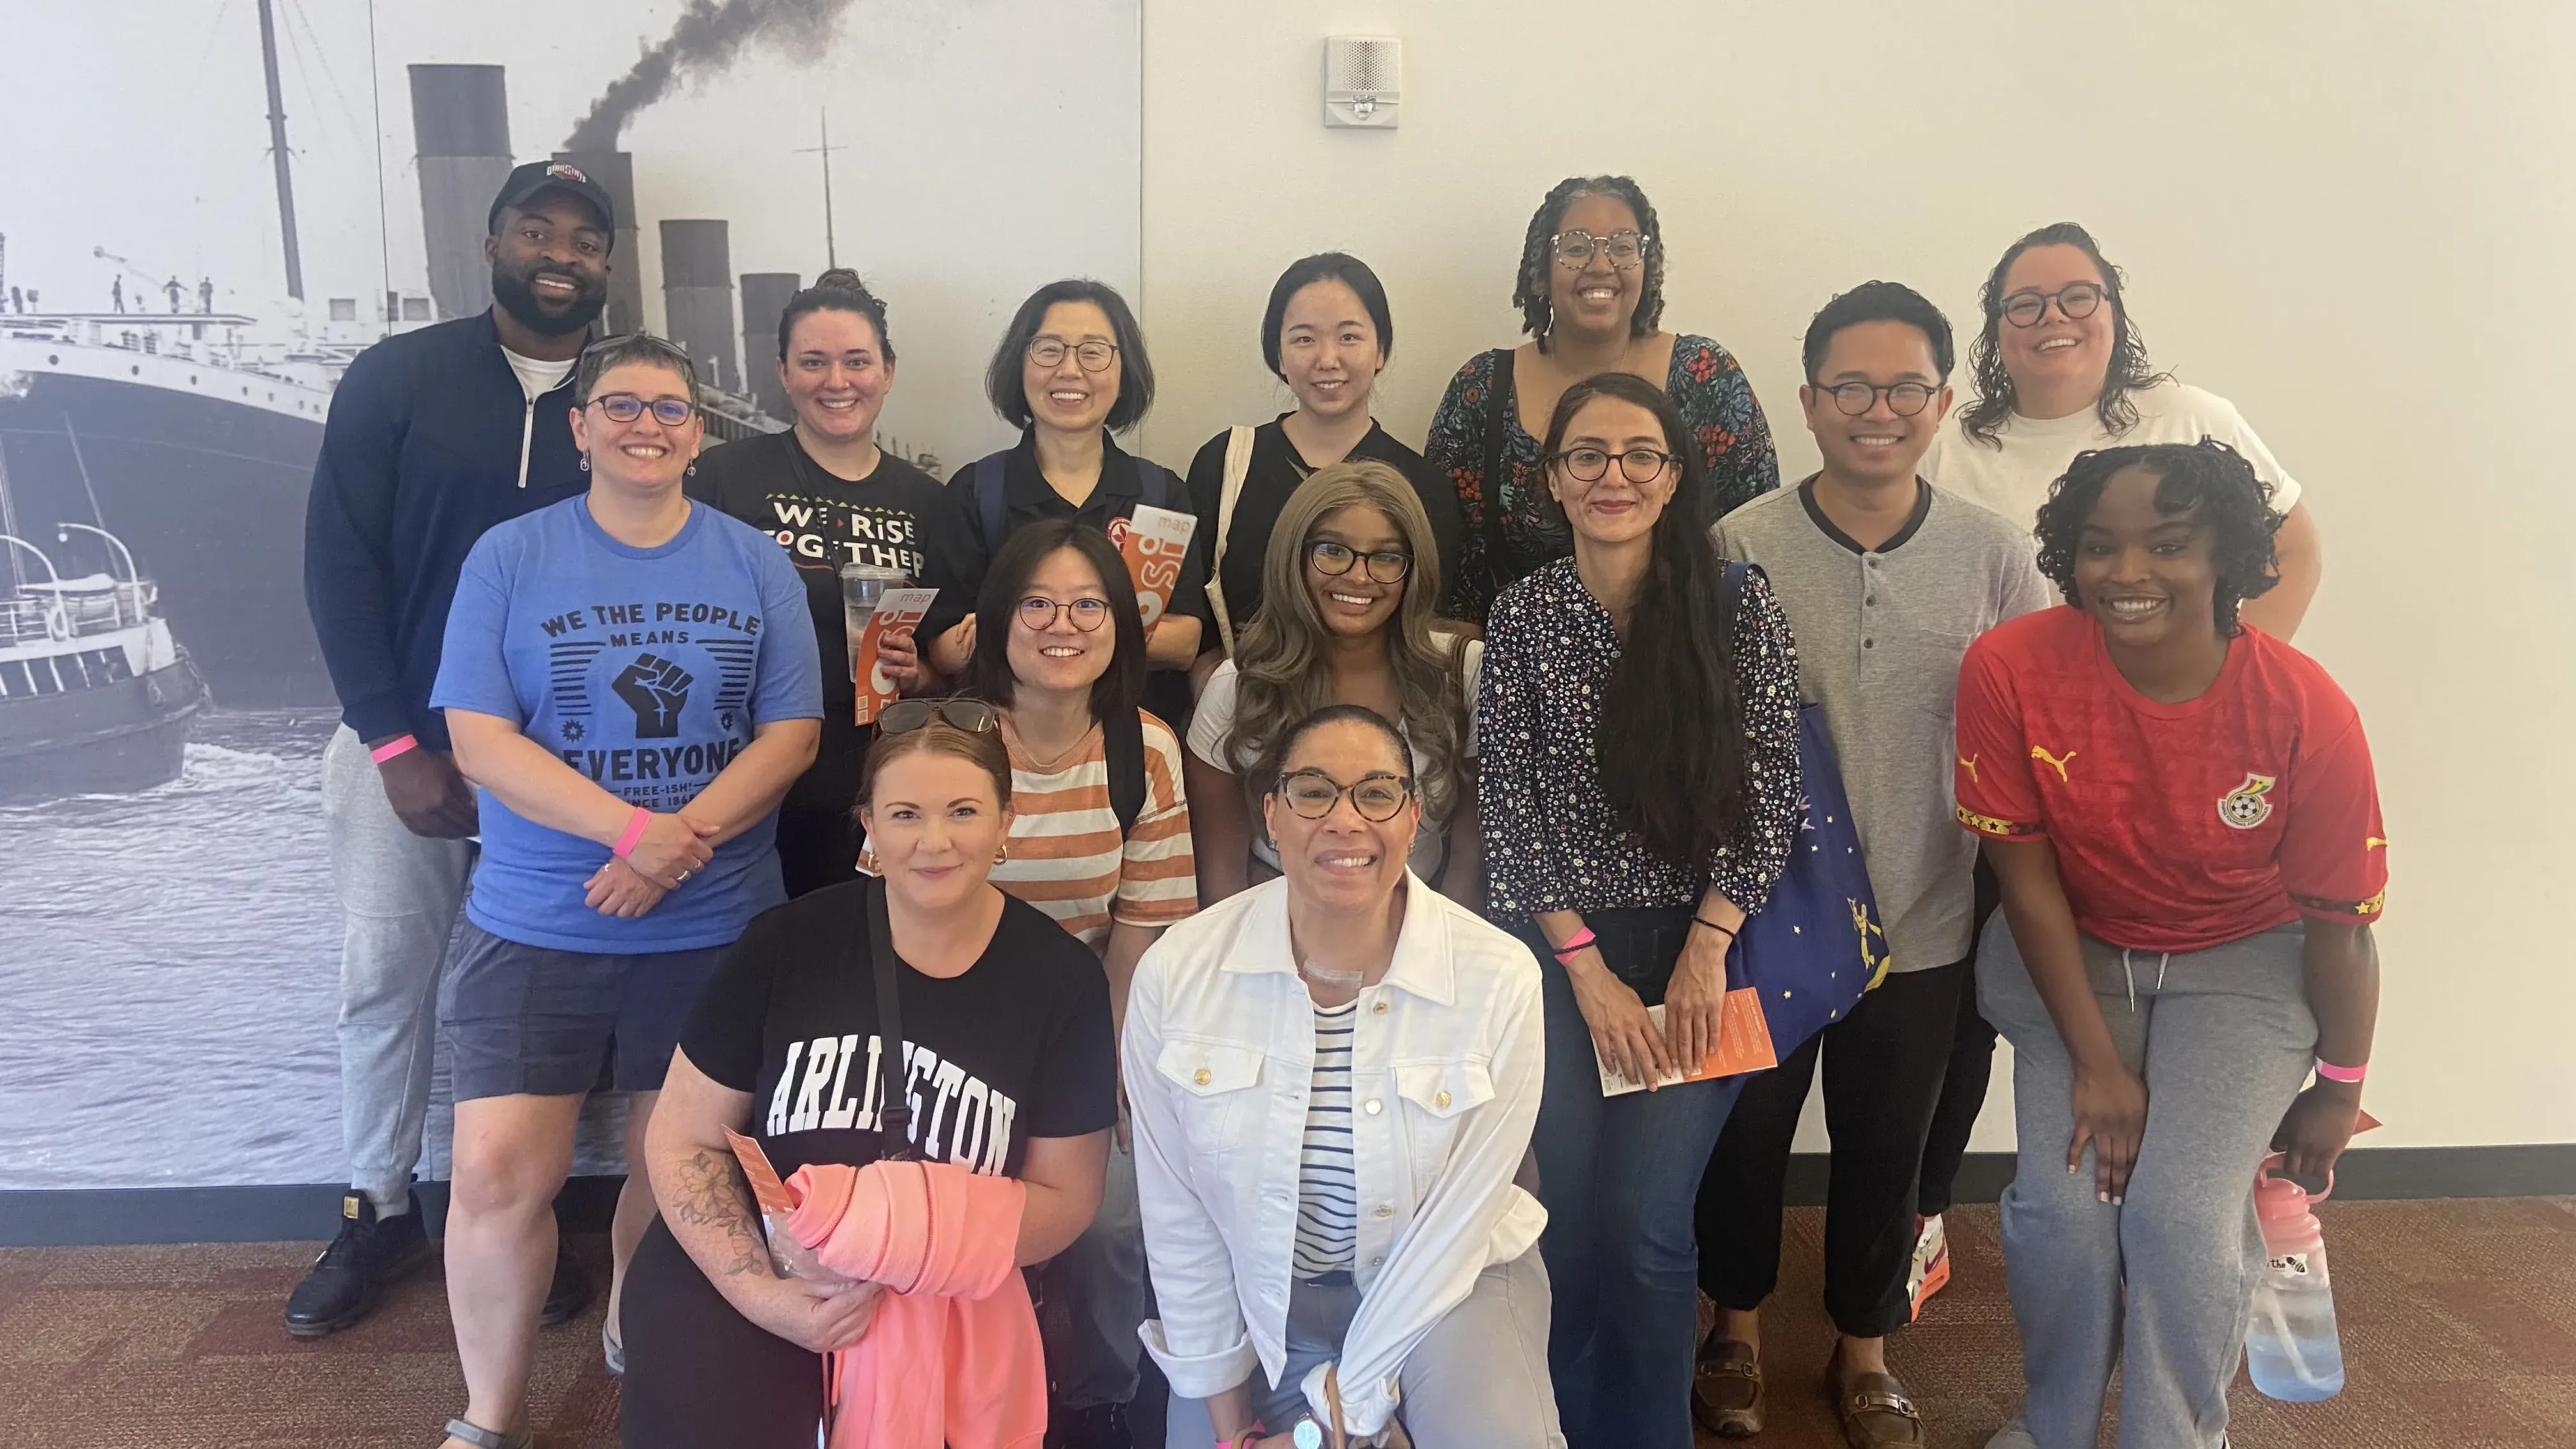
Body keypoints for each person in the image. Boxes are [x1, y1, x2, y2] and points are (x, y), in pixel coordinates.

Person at [1910, 222, 2332, 1302]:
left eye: (2075, 296)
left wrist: (2214, 689)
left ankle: (2215, 1193)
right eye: (2024, 303)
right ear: (1993, 326)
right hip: (2003, 766)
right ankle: (1922, 1213)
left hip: (2164, 784)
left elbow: (2295, 545)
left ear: (2112, 306)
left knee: (2186, 981)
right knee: (1972, 999)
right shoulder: (1958, 444)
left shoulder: (2185, 418)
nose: (2052, 319)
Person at [424, 332, 822, 1449]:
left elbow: (791, 734)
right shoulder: (509, 556)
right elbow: (479, 739)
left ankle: (628, 1327)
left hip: (711, 920)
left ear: (701, 431)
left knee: (675, 1160)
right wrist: (638, 835)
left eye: (672, 407)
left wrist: (674, 845)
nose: (648, 424)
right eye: (622, 404)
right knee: (498, 1172)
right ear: (580, 426)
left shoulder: (754, 561)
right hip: (537, 915)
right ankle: (487, 1413)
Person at [1954, 440, 2382, 1449]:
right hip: (2075, 959)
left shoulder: (2306, 709)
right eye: (2100, 546)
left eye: (2169, 545)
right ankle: (2053, 1425)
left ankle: (2176, 1436)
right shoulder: (2010, 668)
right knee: (2062, 1221)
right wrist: (2098, 1069)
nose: (2129, 572)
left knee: (2179, 1222)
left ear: (2227, 556)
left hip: (2243, 969)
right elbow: (2025, 880)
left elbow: (2342, 931)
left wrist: (2341, 1084)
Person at [1690, 283, 2051, 1446]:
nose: (1876, 408)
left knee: (1886, 1145)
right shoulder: (1739, 541)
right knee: (1743, 1136)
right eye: (1850, 385)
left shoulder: (1996, 557)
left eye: (1903, 386)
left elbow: (2034, 731)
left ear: (1942, 400)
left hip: (1927, 915)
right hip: (1766, 920)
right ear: (1808, 401)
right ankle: (1733, 1328)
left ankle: (1864, 1346)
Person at [292, 158, 620, 1337]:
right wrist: (393, 739)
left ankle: (511, 1211)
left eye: (584, 239)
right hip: (407, 754)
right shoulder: (399, 378)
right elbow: (340, 562)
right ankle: (377, 1207)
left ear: (606, 265)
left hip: (562, 771)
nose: (560, 252)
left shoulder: (632, 398)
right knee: (386, 980)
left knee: (532, 997)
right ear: (491, 244)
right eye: (537, 228)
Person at [620, 706, 1117, 1449]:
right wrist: (765, 1293)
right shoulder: (784, 945)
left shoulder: (1063, 981)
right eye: (905, 814)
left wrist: (902, 1238)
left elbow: (1069, 1199)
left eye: (964, 811)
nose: (935, 841)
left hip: (944, 1294)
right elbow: (684, 1140)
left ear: (1006, 821)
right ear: (869, 830)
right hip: (751, 1270)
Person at [1478, 371, 1802, 1449]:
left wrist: (1704, 949)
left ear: (1672, 478)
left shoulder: (1736, 603)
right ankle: (1557, 1426)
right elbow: (1508, 811)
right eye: (1587, 455)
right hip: (1561, 959)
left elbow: (1770, 798)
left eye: (1639, 455)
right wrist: (1584, 967)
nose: (1612, 474)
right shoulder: (1521, 614)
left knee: (1651, 1231)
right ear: (1554, 480)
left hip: (1698, 949)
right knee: (1565, 1228)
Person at [1131, 703, 1563, 1449]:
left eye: (1376, 793)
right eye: (1312, 791)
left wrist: (1352, 1409)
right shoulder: (1179, 971)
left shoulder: (1500, 978)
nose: (1345, 819)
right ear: (1271, 815)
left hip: (1451, 1287)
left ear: (1414, 817)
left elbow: (1459, 1222)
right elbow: (1180, 1218)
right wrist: (1234, 1432)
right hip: (1259, 1295)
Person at [930, 518, 1197, 1447]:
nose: (1063, 622)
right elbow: (897, 932)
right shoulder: (942, 741)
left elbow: (1140, 941)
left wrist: (1114, 1077)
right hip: (952, 1023)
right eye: (1037, 602)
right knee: (948, 1214)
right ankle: (957, 1389)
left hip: (1088, 1020)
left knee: (1116, 1218)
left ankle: (1100, 1395)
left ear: (1121, 623)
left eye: (1089, 604)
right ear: (998, 619)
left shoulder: (1145, 751)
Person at [691, 267, 979, 896]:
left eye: (857, 361)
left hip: (869, 787)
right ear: (783, 373)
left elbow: (943, 670)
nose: (838, 382)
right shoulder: (724, 478)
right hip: (735, 777)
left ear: (888, 371)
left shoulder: (929, 502)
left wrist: (919, 675)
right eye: (814, 362)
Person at [1427, 175, 1779, 623]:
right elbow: (1444, 565)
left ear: (1646, 266)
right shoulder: (1481, 391)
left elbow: (1752, 535)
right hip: (1521, 667)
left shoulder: (1706, 376)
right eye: (1575, 248)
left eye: (1623, 246)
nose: (1601, 264)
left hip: (1685, 660)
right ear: (1541, 268)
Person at [1188, 461, 1480, 908]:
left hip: (1422, 927)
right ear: (1295, 555)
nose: (1359, 577)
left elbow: (1470, 860)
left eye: (1386, 557)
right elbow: (1219, 875)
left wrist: (1442, 958)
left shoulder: (1462, 672)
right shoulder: (1236, 687)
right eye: (1333, 551)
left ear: (1413, 568)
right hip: (1274, 928)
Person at [930, 279, 1207, 728]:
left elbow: (1186, 642)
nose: (1071, 370)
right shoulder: (977, 491)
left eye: (1093, 351)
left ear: (1124, 370)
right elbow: (944, 648)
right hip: (999, 745)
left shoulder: (1160, 494)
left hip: (1135, 742)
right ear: (1020, 364)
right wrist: (1115, 627)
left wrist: (1019, 625)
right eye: (1049, 349)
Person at [1180, 253, 1460, 671]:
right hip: (1246, 714)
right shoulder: (1223, 464)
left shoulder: (1421, 487)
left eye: (1349, 337)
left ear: (1380, 350)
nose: (1328, 360)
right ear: (1277, 354)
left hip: (1373, 720)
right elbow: (1197, 628)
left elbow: (1429, 630)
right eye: (1304, 339)